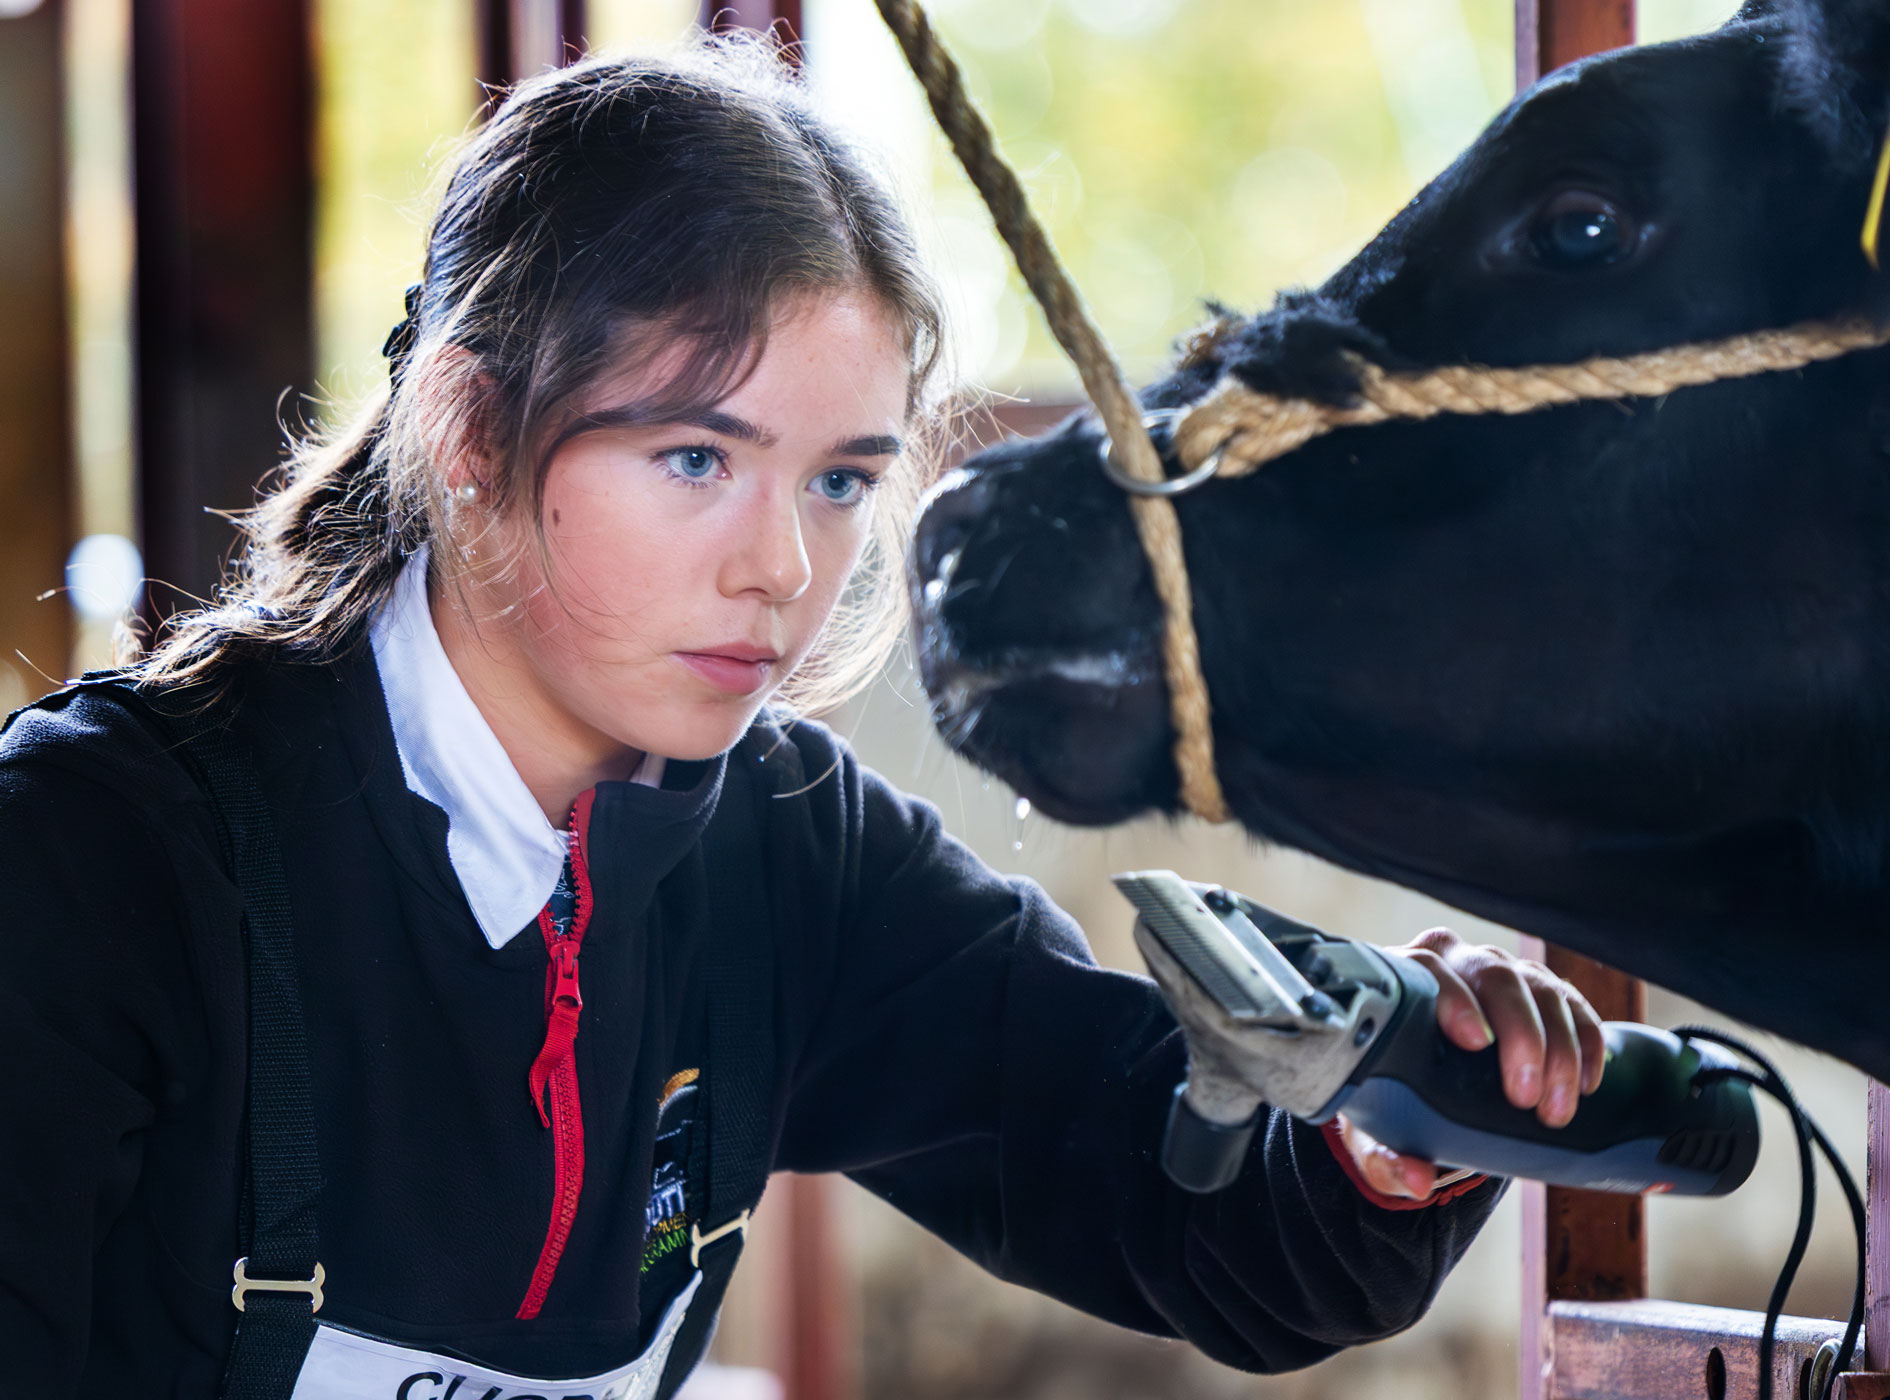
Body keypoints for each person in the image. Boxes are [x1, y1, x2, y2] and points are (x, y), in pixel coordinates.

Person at [0, 38, 1607, 1400]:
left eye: (839, 481)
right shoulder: (93, 861)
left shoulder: (785, 853)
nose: (781, 567)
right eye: (698, 458)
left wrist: (1385, 1121)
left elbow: (1189, 1212)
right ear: (471, 430)